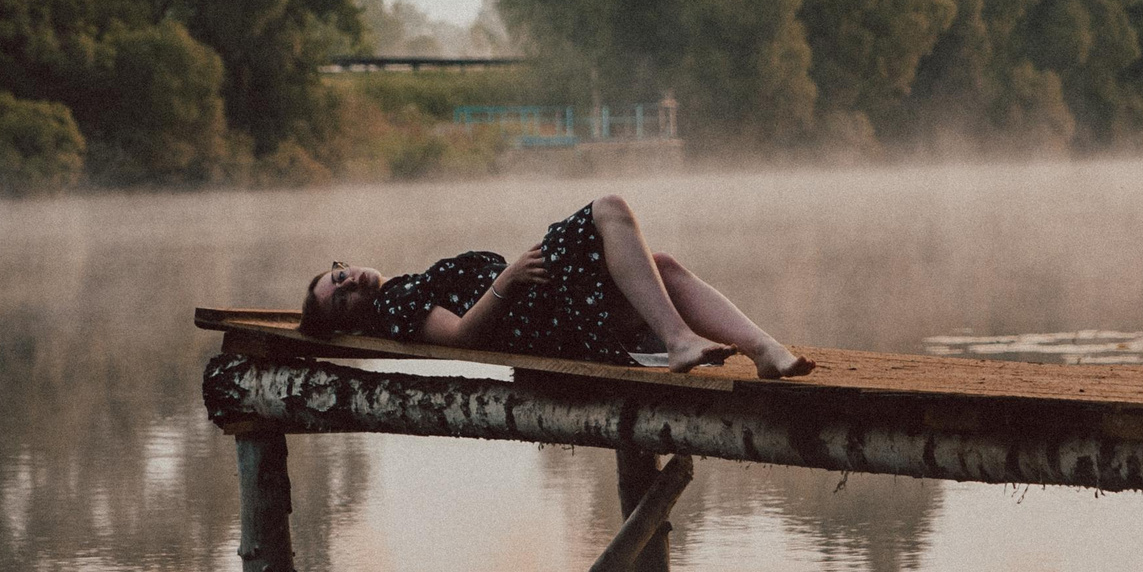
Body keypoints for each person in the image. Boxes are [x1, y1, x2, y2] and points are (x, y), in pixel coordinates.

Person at [300, 194, 814, 379]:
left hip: (541, 306)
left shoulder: (401, 289)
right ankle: (680, 341)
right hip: (541, 319)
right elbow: (460, 337)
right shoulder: (395, 305)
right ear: (352, 318)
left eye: (339, 275)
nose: (350, 284)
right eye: (340, 298)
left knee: (663, 267)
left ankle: (763, 349)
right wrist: (508, 279)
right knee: (609, 209)